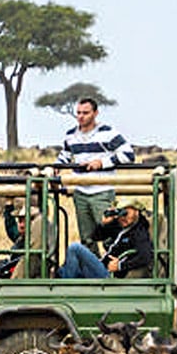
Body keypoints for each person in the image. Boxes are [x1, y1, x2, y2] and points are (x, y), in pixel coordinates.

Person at [57, 97, 135, 256]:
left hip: (102, 191)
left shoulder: (108, 133)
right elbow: (64, 157)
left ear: (95, 113)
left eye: (85, 113)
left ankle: (114, 273)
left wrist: (102, 162)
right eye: (78, 113)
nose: (81, 116)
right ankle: (92, 274)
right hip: (80, 192)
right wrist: (53, 168)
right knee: (87, 238)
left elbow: (129, 154)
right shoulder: (70, 135)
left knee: (109, 236)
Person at [57, 198, 153, 279]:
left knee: (75, 248)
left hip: (109, 275)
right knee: (64, 269)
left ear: (136, 212)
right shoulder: (120, 227)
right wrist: (104, 224)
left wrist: (120, 266)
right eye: (120, 213)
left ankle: (66, 289)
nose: (123, 218)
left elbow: (145, 256)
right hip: (102, 266)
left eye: (126, 213)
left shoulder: (139, 232)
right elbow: (95, 236)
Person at [0, 205, 41, 279]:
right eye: (20, 221)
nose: (21, 225)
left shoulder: (33, 243)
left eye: (25, 221)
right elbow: (11, 227)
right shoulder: (20, 240)